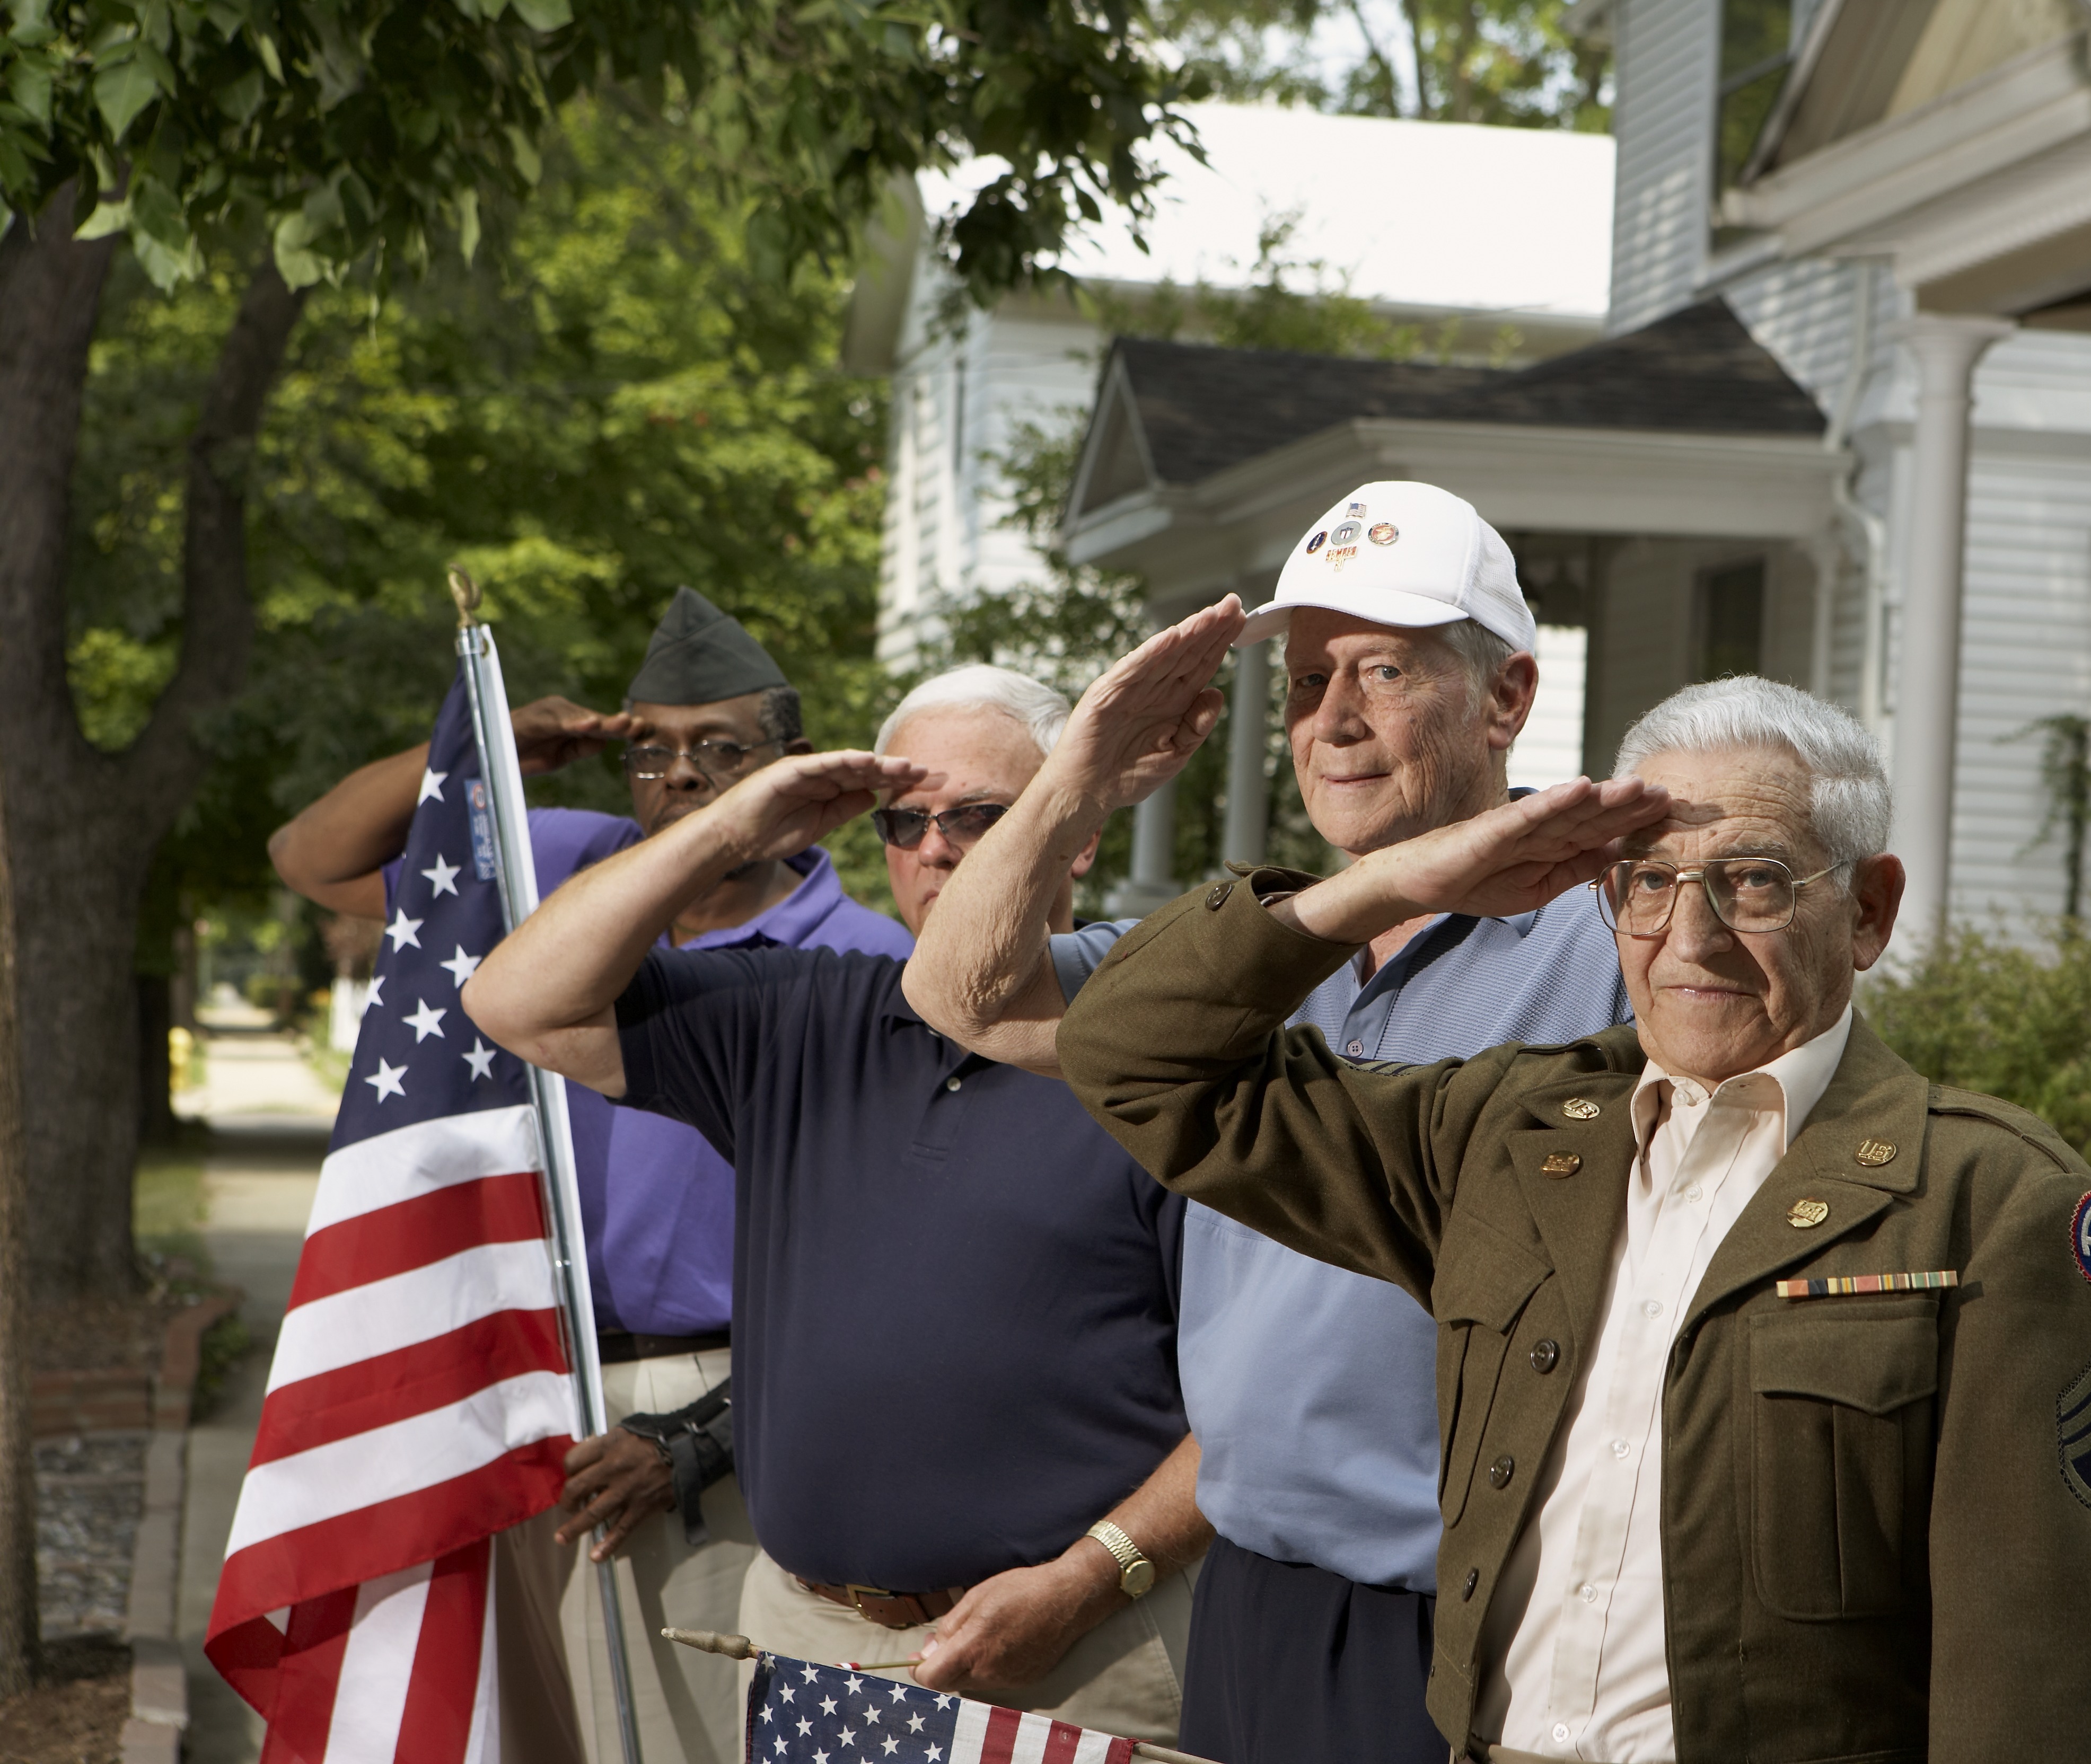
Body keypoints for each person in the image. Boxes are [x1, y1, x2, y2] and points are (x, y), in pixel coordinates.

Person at [1048, 676, 2091, 1763]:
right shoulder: (1510, 1137)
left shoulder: (1988, 1206)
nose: (1687, 938)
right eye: (1646, 881)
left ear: (1869, 909)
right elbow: (1135, 1055)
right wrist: (1397, 881)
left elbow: (2053, 1686)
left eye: (1754, 878)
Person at [903, 481, 1635, 1764]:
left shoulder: (1619, 945)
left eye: (1385, 671)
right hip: (1247, 1589)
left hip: (1466, 1613)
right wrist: (1080, 768)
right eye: (1304, 683)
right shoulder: (1243, 951)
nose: (1332, 721)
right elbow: (958, 992)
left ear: (1507, 699)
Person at [462, 659, 1220, 1744]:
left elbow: (1256, 1395)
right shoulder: (800, 1013)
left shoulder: (1165, 1058)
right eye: (904, 822)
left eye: (979, 815)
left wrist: (1092, 1578)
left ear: (1079, 834)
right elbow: (515, 999)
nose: (937, 847)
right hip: (808, 1637)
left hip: (1078, 1649)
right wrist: (731, 826)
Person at [268, 586, 910, 1764]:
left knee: (693, 1739)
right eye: (654, 747)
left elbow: (887, 1250)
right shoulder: (556, 865)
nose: (681, 776)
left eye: (721, 747)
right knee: (517, 1730)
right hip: (519, 1379)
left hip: (722, 1407)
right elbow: (308, 855)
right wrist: (488, 751)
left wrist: (702, 1433)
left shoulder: (867, 961)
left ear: (792, 764)